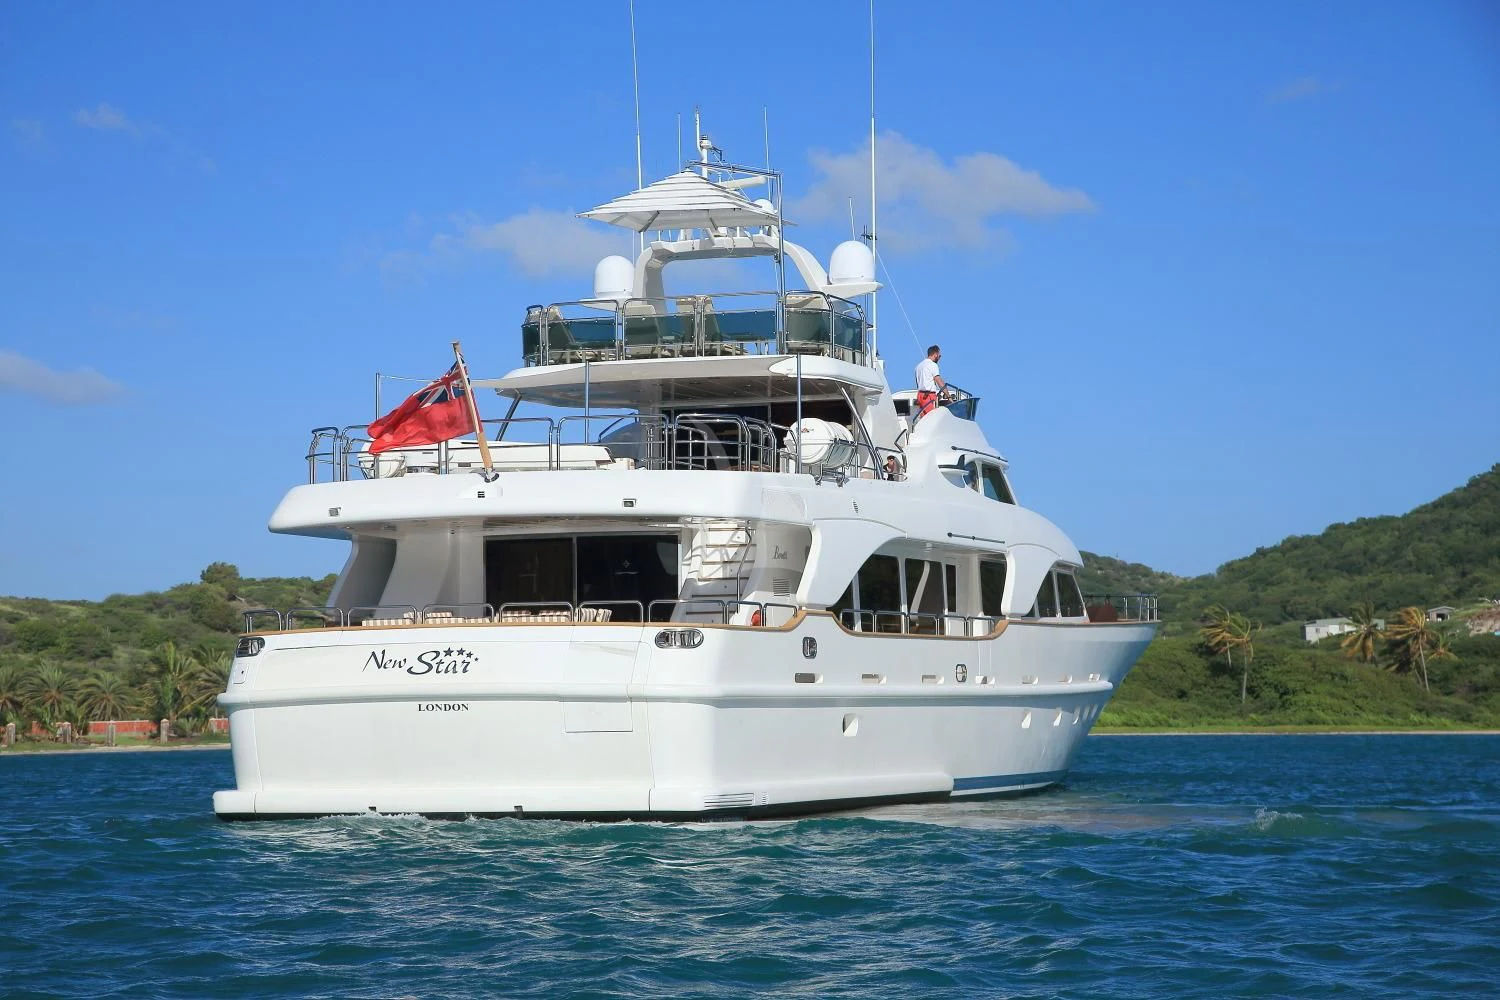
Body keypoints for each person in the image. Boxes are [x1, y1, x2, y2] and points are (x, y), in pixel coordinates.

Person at [913, 344, 946, 419]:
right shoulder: (933, 365)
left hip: (920, 396)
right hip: (928, 396)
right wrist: (948, 396)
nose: (939, 358)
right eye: (939, 356)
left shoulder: (918, 367)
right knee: (931, 418)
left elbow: (918, 383)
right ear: (935, 354)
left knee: (923, 418)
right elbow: (939, 381)